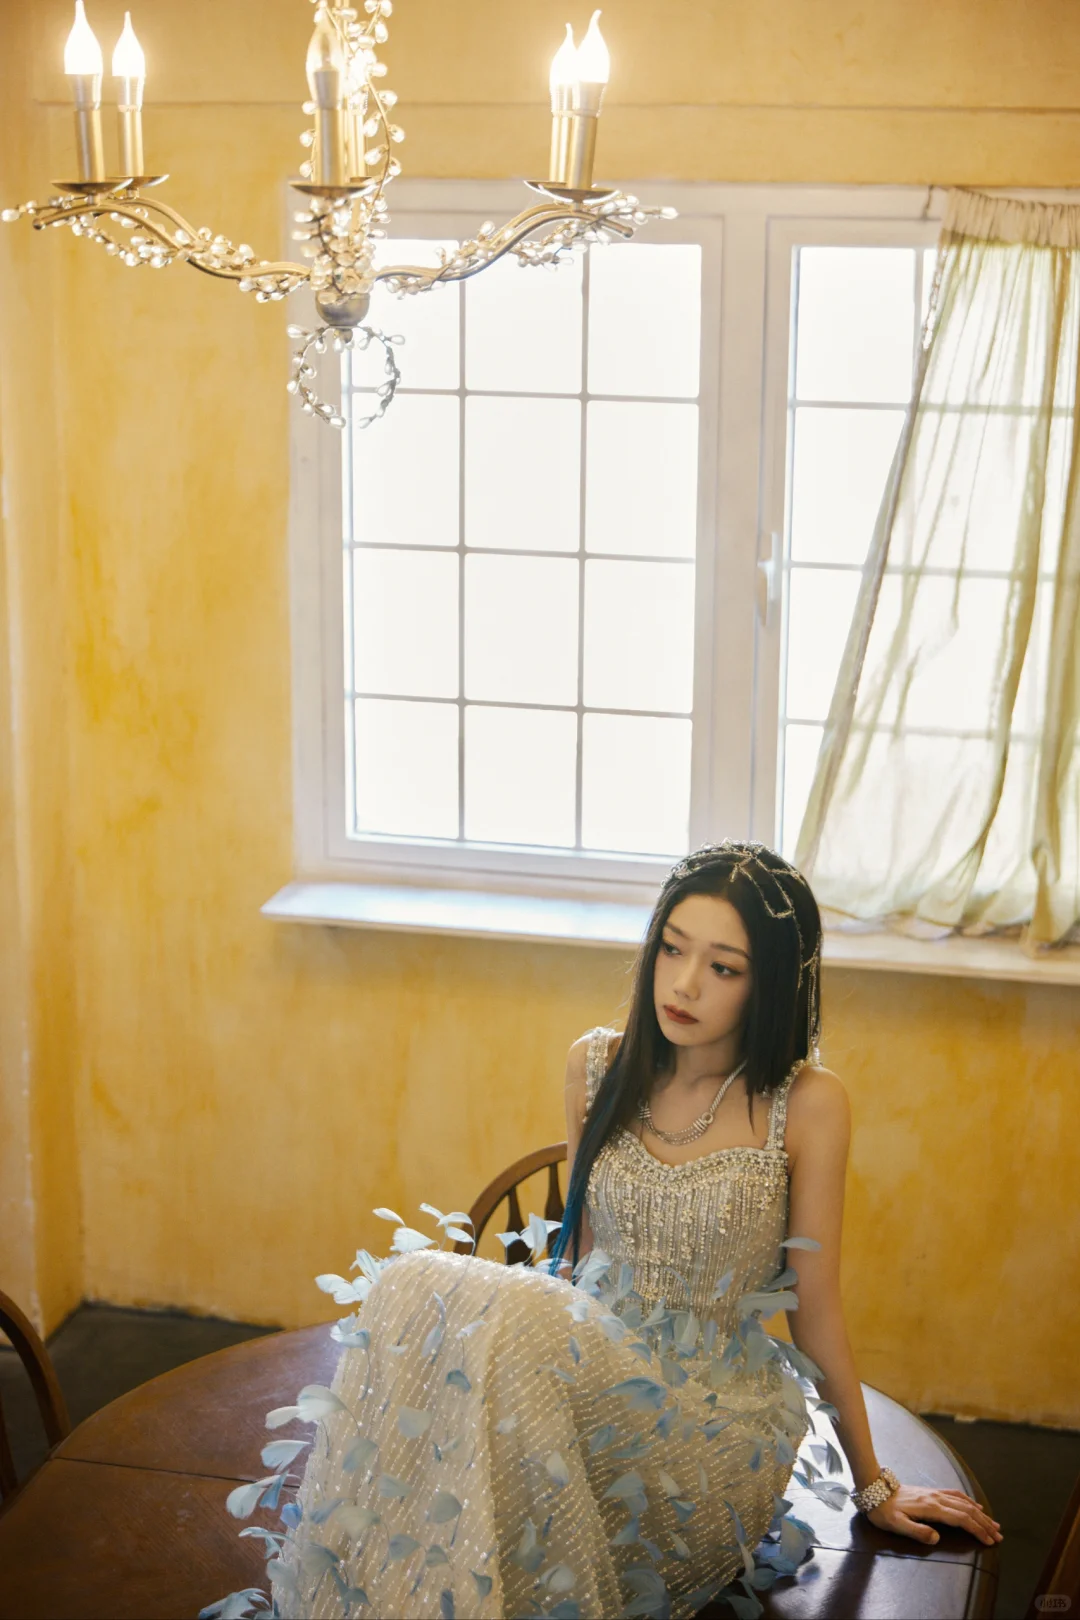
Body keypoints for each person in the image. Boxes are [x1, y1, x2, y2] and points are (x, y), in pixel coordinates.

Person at [207, 841, 1001, 1620]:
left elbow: (816, 1308)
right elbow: (580, 1259)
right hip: (589, 1391)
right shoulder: (596, 1065)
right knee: (417, 1293)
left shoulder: (808, 1104)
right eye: (672, 948)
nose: (684, 983)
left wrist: (873, 1486)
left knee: (468, 1299)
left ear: (771, 985)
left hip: (709, 1432)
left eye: (724, 968)